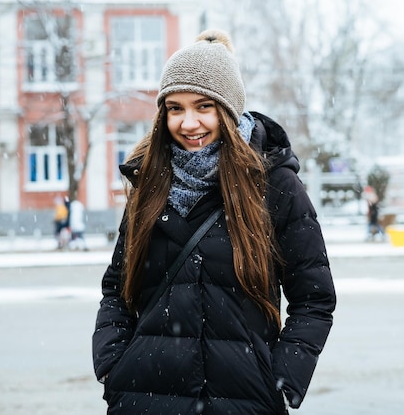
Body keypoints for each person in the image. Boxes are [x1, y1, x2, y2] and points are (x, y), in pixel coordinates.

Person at [92, 30, 336, 414]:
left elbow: (314, 297)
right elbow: (118, 289)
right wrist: (114, 364)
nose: (189, 123)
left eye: (203, 106)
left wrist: (283, 375)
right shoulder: (149, 182)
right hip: (146, 399)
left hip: (243, 401)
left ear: (229, 109)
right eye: (175, 108)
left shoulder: (274, 183)